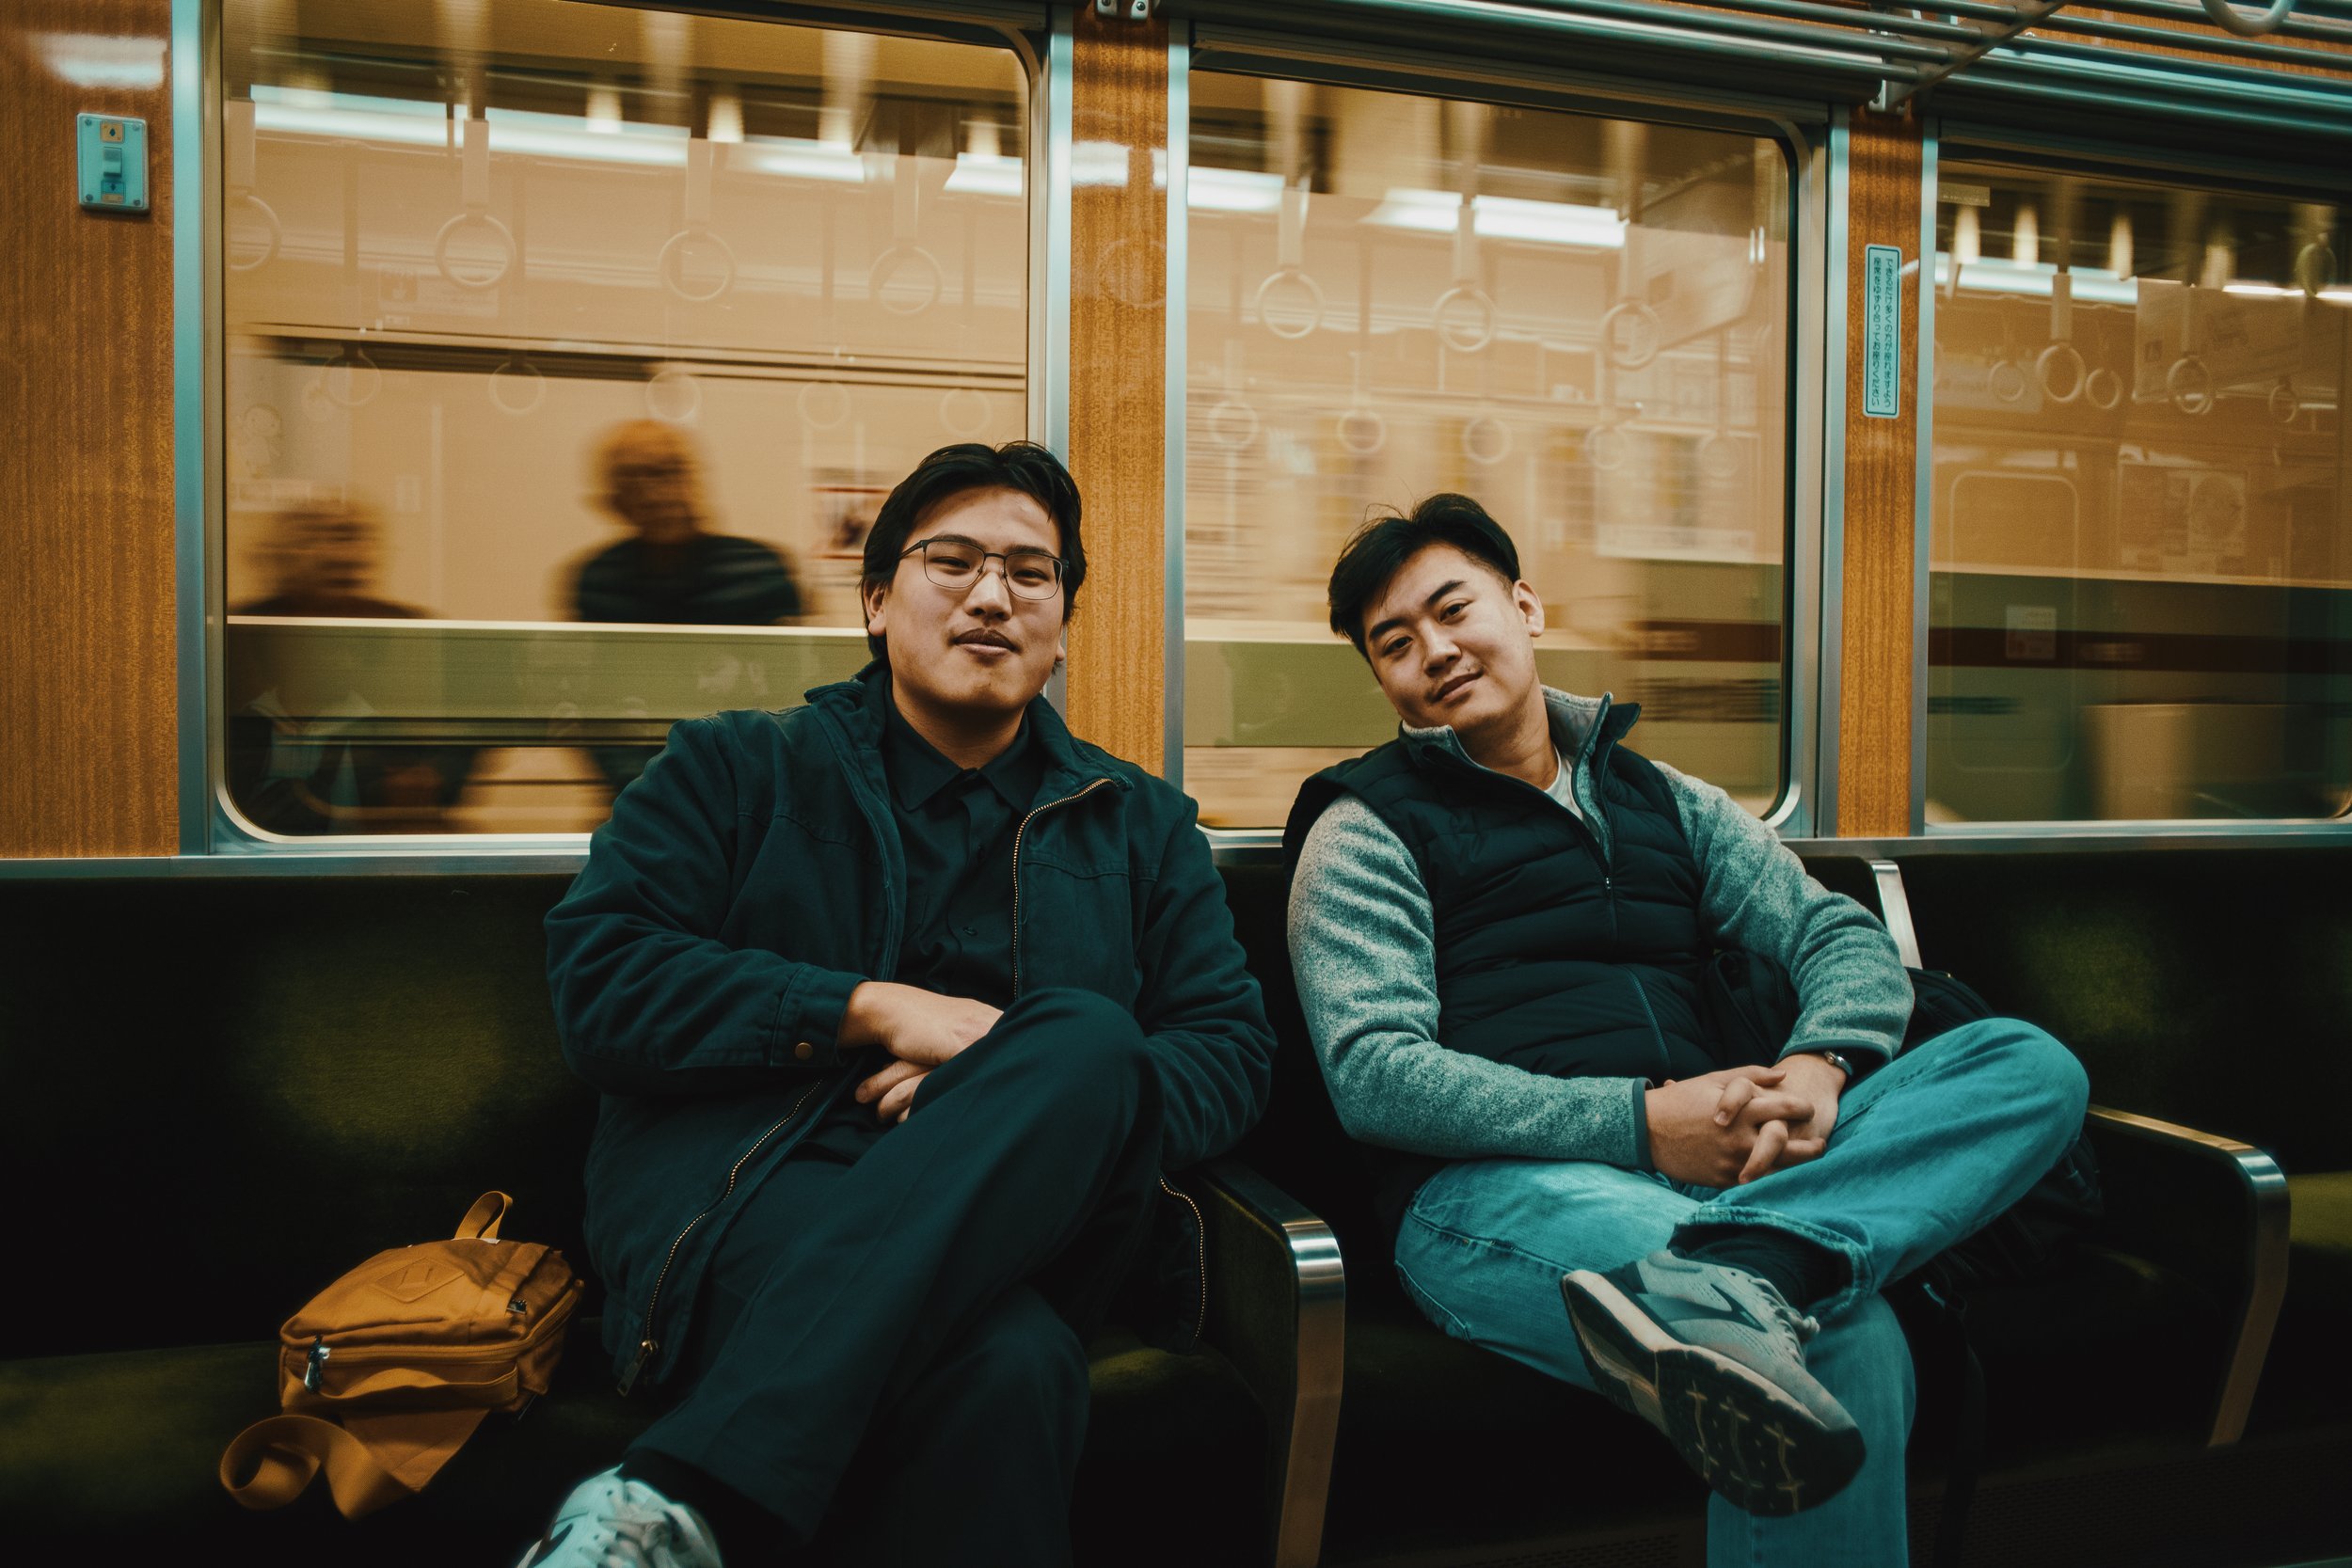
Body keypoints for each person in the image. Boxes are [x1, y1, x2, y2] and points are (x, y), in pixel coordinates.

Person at [1282, 495, 2087, 1566]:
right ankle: (1757, 1271)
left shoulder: (1663, 799)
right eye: (1395, 643)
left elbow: (1836, 934)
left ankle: (1753, 1263)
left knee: (2023, 1063)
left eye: (1451, 609)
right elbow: (1374, 1076)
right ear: (1381, 679)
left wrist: (1818, 1066)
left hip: (1739, 1172)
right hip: (1500, 1190)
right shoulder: (1362, 827)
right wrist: (1642, 1122)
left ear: (1522, 605)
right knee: (1841, 1339)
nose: (1434, 650)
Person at [523, 441, 1276, 1568]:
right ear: (876, 602)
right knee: (1008, 1366)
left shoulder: (1143, 822)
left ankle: (680, 1493)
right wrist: (870, 1008)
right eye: (953, 560)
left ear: (1062, 619)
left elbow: (1227, 1052)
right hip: (751, 1199)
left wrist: (996, 1084)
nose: (992, 594)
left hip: (1039, 1217)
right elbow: (603, 981)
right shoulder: (736, 769)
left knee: (1085, 1037)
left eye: (1031, 572)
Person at [571, 420, 806, 790]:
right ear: (615, 500)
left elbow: (793, 694)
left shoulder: (758, 568)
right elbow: (591, 703)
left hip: (744, 782)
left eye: (671, 471)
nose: (658, 493)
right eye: (637, 479)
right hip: (639, 787)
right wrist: (645, 786)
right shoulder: (599, 579)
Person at [226, 499, 475, 833]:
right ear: (284, 556)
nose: (342, 550)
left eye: (353, 537)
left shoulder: (407, 630)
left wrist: (433, 776)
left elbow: (459, 737)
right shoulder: (244, 632)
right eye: (320, 537)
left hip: (378, 827)